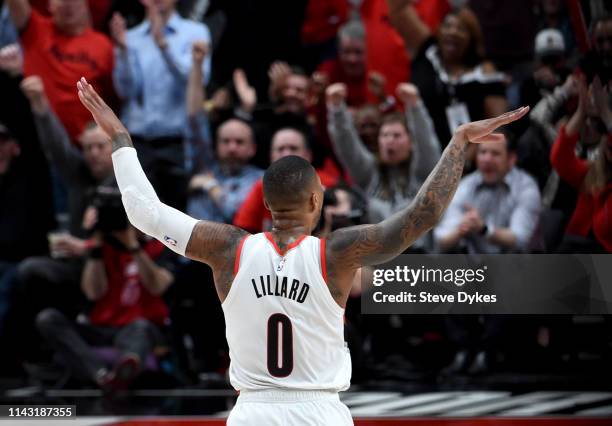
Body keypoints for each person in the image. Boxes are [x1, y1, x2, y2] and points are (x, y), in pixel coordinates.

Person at [76, 75, 528, 425]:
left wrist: (119, 138)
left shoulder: (228, 248)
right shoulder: (337, 253)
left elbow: (144, 212)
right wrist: (458, 142)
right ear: (316, 200)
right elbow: (420, 217)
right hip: (319, 412)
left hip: (252, 411)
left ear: (267, 204)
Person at [110, 0, 211, 209]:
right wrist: (122, 51)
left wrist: (163, 46)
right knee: (139, 215)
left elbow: (198, 81)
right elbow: (126, 91)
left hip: (179, 143)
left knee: (179, 216)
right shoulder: (131, 37)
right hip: (139, 143)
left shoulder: (195, 31)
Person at [388, 1, 508, 148]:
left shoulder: (485, 73)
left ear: (472, 38)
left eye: (461, 29)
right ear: (438, 30)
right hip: (421, 153)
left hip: (467, 161)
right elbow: (399, 10)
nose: (452, 32)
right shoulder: (426, 52)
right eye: (447, 26)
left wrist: (464, 159)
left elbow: (497, 127)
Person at [6, 0, 114, 142]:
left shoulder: (103, 44)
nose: (68, 5)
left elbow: (113, 97)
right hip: (41, 138)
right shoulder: (36, 29)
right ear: (50, 5)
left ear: (85, 4)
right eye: (61, 1)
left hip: (92, 143)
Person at [434, 135, 541, 254]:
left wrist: (484, 229)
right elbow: (441, 239)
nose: (487, 159)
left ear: (511, 159)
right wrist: (461, 229)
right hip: (474, 267)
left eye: (495, 153)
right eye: (482, 152)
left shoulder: (525, 187)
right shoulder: (465, 185)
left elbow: (520, 239)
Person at [233, 127, 338, 233]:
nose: (286, 154)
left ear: (308, 155)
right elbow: (242, 230)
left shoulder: (325, 183)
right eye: (280, 149)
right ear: (271, 156)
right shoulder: (261, 186)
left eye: (293, 148)